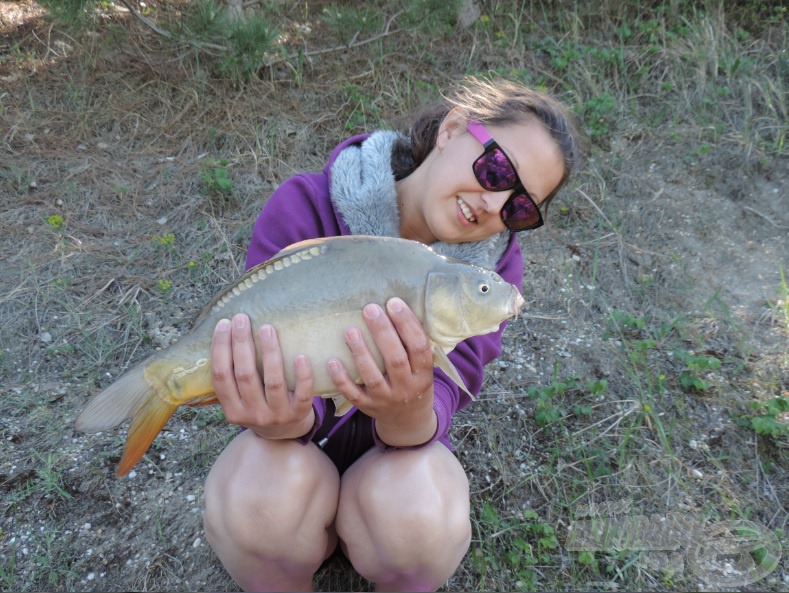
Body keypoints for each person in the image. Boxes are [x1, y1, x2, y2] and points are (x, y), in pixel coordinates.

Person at [202, 76, 582, 592]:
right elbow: (263, 361)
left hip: (394, 465)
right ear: (451, 129)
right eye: (497, 170)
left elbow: (452, 389)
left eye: (520, 208)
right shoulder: (306, 206)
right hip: (293, 454)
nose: (496, 207)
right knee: (255, 503)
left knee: (424, 525)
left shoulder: (489, 277)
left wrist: (409, 409)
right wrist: (281, 415)